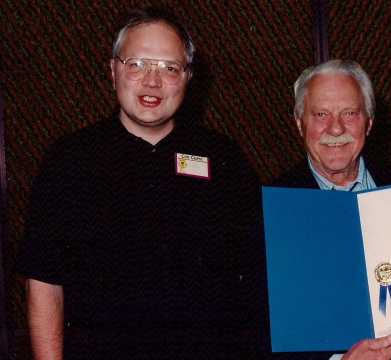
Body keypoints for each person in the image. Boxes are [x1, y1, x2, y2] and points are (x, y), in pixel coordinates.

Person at [17, 8, 263, 359]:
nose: (152, 81)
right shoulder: (70, 160)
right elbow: (43, 284)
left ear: (188, 77)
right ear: (113, 71)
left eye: (169, 68)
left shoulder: (224, 159)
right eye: (137, 64)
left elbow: (253, 281)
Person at [271, 59, 391, 359]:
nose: (336, 128)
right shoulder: (271, 208)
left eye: (350, 113)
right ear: (299, 123)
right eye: (320, 114)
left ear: (369, 122)